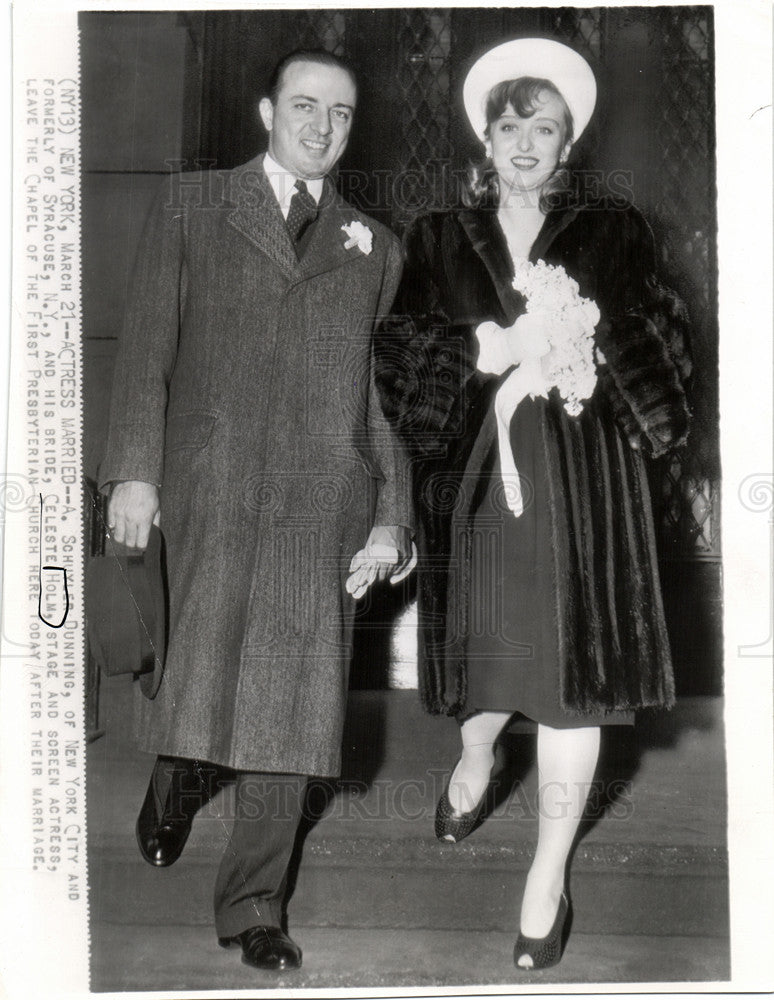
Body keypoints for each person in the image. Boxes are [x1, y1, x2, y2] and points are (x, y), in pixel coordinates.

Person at [375, 38, 691, 970]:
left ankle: (547, 875)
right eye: (510, 124)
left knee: (571, 683)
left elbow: (666, 337)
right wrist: (481, 352)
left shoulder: (615, 230)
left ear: (568, 142)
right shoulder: (436, 235)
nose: (524, 141)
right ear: (487, 134)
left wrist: (587, 346)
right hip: (479, 485)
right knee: (485, 669)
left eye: (543, 127)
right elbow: (397, 354)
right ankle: (477, 756)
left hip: (585, 489)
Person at [99, 49, 413, 973]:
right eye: (305, 106)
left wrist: (391, 517)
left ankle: (252, 905)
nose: (321, 127)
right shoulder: (195, 204)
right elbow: (147, 346)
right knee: (199, 662)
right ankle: (178, 770)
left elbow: (382, 401)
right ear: (267, 108)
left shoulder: (375, 246)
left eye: (342, 114)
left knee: (297, 706)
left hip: (325, 505)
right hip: (210, 485)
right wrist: (133, 472)